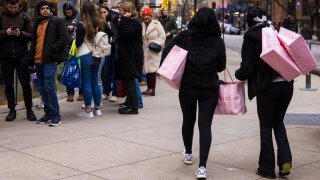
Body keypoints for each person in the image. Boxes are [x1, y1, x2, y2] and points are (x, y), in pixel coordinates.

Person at [162, 7, 226, 179]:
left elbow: (166, 52)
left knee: (188, 121)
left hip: (188, 86)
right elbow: (220, 66)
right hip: (209, 88)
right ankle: (203, 167)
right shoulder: (217, 40)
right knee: (205, 126)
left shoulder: (185, 36)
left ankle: (189, 153)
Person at [235, 7, 293, 179]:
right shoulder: (274, 31)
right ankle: (285, 163)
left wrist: (239, 75)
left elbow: (247, 67)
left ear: (249, 22)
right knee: (278, 122)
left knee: (266, 126)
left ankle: (266, 168)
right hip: (287, 84)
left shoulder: (251, 37)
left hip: (268, 88)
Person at [30, 0, 68, 126]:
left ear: (51, 10)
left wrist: (52, 49)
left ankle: (56, 115)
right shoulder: (37, 23)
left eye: (47, 8)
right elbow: (34, 42)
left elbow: (64, 38)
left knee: (49, 87)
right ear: (39, 11)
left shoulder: (56, 21)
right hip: (37, 60)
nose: (45, 10)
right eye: (42, 8)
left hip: (50, 60)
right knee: (42, 88)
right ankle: (48, 114)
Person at [0, 0, 37, 121]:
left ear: (19, 4)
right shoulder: (1, 16)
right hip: (5, 56)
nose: (13, 9)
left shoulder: (25, 16)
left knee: (26, 84)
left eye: (15, 7)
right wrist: (5, 33)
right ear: (7, 5)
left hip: (22, 55)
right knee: (9, 85)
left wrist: (19, 33)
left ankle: (29, 109)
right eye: (11, 7)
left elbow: (32, 35)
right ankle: (11, 110)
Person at [75, 2, 106, 118]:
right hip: (97, 54)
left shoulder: (82, 24)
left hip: (85, 54)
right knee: (95, 82)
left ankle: (88, 110)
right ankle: (97, 109)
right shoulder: (99, 23)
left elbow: (78, 42)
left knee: (86, 82)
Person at [116, 1, 143, 114]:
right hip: (127, 56)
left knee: (130, 81)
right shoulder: (128, 21)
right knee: (127, 82)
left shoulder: (135, 22)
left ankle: (134, 107)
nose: (119, 12)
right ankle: (129, 104)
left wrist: (124, 20)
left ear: (127, 11)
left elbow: (125, 33)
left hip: (132, 57)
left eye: (121, 10)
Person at [141, 8, 166, 96]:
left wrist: (158, 44)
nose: (146, 17)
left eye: (148, 15)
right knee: (147, 70)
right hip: (145, 50)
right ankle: (149, 88)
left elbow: (162, 35)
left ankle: (152, 89)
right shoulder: (142, 25)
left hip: (154, 49)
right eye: (144, 15)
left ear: (151, 16)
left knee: (152, 70)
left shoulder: (157, 24)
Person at [62, 1, 83, 102]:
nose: (68, 12)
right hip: (68, 49)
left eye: (69, 10)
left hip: (79, 47)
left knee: (80, 71)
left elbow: (84, 28)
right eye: (66, 11)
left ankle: (81, 93)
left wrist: (74, 28)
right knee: (69, 71)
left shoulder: (79, 17)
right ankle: (70, 93)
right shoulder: (63, 20)